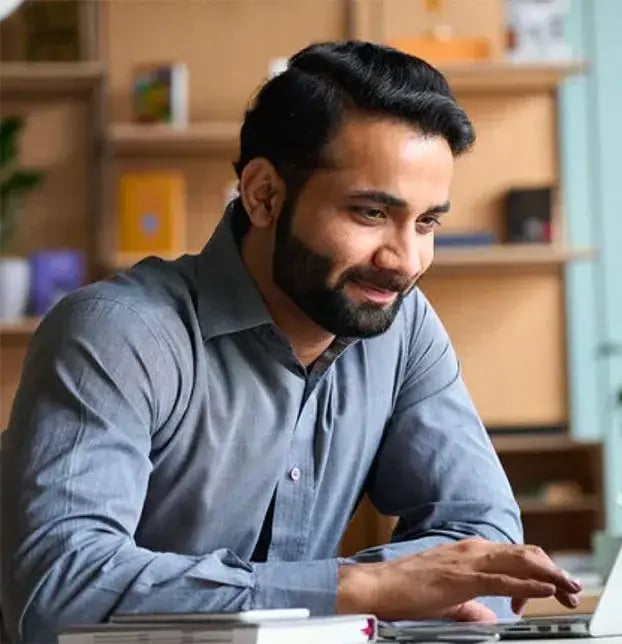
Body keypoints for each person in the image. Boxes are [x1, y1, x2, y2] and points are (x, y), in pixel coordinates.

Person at [0, 41, 582, 643]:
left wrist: (369, 591)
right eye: (370, 213)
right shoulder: (118, 333)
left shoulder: (401, 327)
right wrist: (362, 592)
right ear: (263, 195)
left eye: (427, 222)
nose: (405, 260)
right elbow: (57, 589)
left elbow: (485, 546)